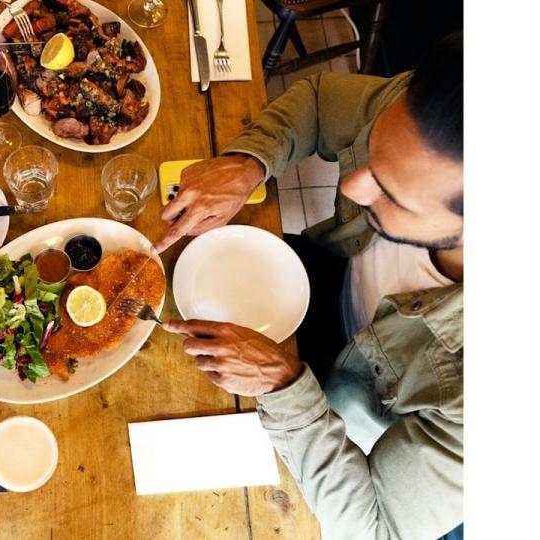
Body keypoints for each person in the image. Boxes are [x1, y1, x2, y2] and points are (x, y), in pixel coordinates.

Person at [158, 34, 463, 539]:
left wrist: (284, 387)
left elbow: (374, 528)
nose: (349, 186)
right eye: (372, 156)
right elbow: (321, 101)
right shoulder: (440, 118)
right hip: (330, 285)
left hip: (348, 420)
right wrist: (249, 162)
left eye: (391, 193)